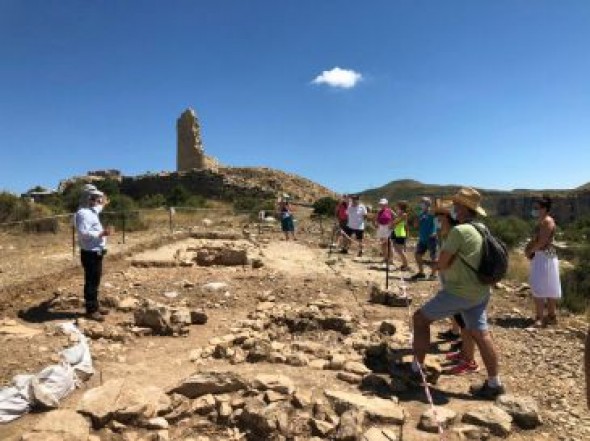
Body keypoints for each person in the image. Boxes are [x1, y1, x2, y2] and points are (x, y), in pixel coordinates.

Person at [412, 187, 505, 399]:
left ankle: (417, 370)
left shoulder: (459, 231)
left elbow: (443, 263)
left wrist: (433, 265)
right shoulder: (482, 229)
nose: (453, 208)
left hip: (459, 291)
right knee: (482, 334)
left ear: (462, 208)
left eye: (456, 205)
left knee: (420, 319)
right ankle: (494, 383)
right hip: (480, 290)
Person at [433, 199, 478, 375]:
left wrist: (438, 265)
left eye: (439, 215)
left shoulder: (456, 232)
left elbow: (448, 259)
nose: (437, 218)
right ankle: (465, 354)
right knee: (462, 319)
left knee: (467, 321)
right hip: (454, 280)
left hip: (460, 283)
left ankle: (469, 358)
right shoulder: (446, 232)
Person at [74, 188, 111, 322]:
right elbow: (83, 232)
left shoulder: (92, 210)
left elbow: (102, 204)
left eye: (97, 198)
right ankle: (91, 310)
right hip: (90, 253)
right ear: (87, 198)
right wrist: (101, 234)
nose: (97, 200)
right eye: (94, 197)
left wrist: (103, 198)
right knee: (91, 282)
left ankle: (95, 306)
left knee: (95, 281)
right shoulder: (83, 213)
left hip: (96, 252)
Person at [525, 196, 561, 327]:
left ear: (544, 209)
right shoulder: (545, 220)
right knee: (550, 285)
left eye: (537, 208)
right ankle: (551, 316)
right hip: (547, 255)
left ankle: (540, 318)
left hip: (543, 255)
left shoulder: (546, 221)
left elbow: (542, 242)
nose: (534, 210)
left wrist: (530, 251)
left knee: (538, 284)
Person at [410, 197, 438, 281]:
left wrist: (436, 232)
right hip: (422, 239)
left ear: (427, 204)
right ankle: (421, 273)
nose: (421, 204)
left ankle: (433, 275)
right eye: (421, 202)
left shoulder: (432, 212)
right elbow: (416, 226)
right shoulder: (421, 214)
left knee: (434, 257)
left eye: (423, 202)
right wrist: (416, 217)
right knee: (417, 255)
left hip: (431, 238)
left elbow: (438, 222)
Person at [391, 201, 409, 271]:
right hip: (396, 233)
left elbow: (396, 222)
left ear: (401, 207)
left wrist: (392, 223)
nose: (396, 207)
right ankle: (404, 264)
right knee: (398, 250)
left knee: (400, 251)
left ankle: (406, 265)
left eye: (397, 206)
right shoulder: (399, 214)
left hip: (400, 234)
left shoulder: (404, 214)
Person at [375, 198, 394, 264]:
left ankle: (391, 259)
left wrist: (392, 224)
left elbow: (396, 217)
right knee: (383, 244)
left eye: (383, 204)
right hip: (381, 227)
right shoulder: (379, 211)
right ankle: (385, 258)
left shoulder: (390, 210)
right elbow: (376, 219)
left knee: (389, 244)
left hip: (387, 228)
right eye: (381, 204)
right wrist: (376, 224)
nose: (382, 205)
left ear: (386, 204)